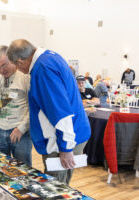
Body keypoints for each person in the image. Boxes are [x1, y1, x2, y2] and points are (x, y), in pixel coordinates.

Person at [7, 39, 91, 185]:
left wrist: (65, 148)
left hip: (60, 142)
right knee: (59, 184)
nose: (18, 70)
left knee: (55, 188)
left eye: (15, 65)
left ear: (20, 60)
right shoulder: (49, 57)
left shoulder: (42, 69)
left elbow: (61, 113)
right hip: (68, 134)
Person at [0, 46, 32, 166]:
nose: (2, 70)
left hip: (20, 134)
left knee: (23, 171)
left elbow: (33, 108)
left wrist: (22, 128)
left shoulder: (25, 76)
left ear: (12, 59)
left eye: (4, 65)